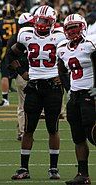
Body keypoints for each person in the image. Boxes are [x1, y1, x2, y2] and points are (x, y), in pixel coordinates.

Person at [7, 5, 66, 180]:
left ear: (52, 22)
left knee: (52, 128)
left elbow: (71, 58)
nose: (40, 24)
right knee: (29, 129)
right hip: (33, 86)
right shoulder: (25, 34)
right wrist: (22, 73)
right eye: (38, 20)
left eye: (45, 21)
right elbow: (12, 55)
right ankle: (23, 168)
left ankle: (53, 168)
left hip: (53, 88)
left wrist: (63, 77)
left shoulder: (60, 36)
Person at [57, 13, 96, 185]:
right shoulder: (62, 48)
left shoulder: (91, 44)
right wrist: (68, 89)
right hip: (75, 97)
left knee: (93, 133)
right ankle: (83, 175)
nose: (72, 31)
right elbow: (62, 70)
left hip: (90, 95)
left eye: (75, 27)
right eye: (69, 28)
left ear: (83, 27)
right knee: (78, 137)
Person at [6, 12, 34, 140]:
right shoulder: (19, 39)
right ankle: (23, 131)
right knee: (24, 104)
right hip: (24, 74)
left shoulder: (17, 37)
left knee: (27, 104)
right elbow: (10, 58)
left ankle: (22, 128)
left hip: (32, 74)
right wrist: (20, 72)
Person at [0, 3, 18, 106]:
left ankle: (5, 100)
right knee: (22, 74)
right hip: (18, 50)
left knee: (4, 75)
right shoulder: (18, 21)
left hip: (5, 50)